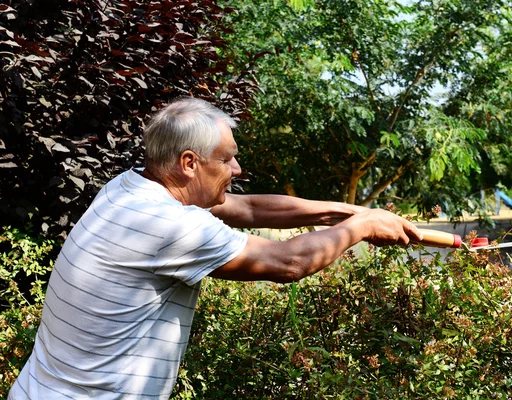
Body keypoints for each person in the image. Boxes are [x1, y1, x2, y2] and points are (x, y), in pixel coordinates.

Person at [9, 97, 422, 399]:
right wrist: (363, 226)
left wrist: (349, 212)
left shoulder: (131, 186)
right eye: (227, 160)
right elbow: (288, 261)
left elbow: (248, 207)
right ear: (189, 163)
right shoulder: (169, 225)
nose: (237, 170)